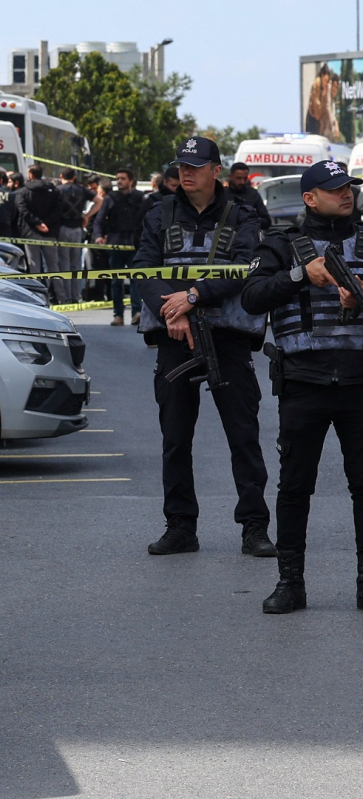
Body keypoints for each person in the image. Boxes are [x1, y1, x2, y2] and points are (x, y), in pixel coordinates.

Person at [133, 137, 273, 557]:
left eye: (196, 166)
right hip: (175, 337)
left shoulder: (243, 215)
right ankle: (180, 525)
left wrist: (194, 295)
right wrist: (169, 309)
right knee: (175, 437)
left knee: (243, 435)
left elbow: (248, 267)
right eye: (182, 166)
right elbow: (142, 268)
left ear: (217, 170)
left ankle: (254, 527)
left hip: (226, 338)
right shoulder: (159, 213)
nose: (186, 173)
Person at [241, 159, 363, 613]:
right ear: (310, 198)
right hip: (303, 383)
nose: (346, 194)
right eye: (335, 189)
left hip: (358, 381)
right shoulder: (281, 244)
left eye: (349, 186)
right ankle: (290, 583)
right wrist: (300, 275)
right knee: (295, 488)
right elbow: (252, 297)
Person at [93, 168, 146, 326]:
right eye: (118, 178)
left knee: (136, 279)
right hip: (115, 242)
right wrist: (98, 236)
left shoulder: (140, 197)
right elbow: (100, 219)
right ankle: (118, 315)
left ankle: (137, 312)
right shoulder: (111, 198)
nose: (119, 181)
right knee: (116, 281)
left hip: (133, 243)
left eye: (123, 178)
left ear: (131, 181)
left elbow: (147, 219)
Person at [15, 165, 63, 301]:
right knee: (53, 266)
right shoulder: (54, 190)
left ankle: (36, 297)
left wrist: (37, 223)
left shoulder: (23, 191)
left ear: (30, 174)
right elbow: (59, 209)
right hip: (50, 232)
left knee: (34, 266)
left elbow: (23, 210)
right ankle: (61, 297)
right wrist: (45, 223)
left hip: (30, 233)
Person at [56, 168, 95, 305]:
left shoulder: (58, 190)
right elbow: (99, 200)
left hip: (62, 228)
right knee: (76, 264)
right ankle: (76, 295)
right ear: (74, 177)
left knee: (64, 264)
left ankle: (66, 297)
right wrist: (87, 215)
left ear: (61, 176)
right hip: (77, 229)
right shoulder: (82, 190)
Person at [226, 161, 273, 230]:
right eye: (238, 178)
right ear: (230, 177)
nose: (242, 182)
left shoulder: (253, 194)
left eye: (245, 178)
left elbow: (266, 221)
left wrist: (251, 220)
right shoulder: (222, 194)